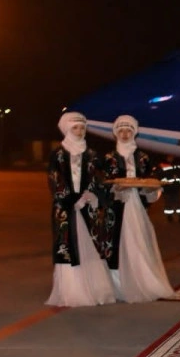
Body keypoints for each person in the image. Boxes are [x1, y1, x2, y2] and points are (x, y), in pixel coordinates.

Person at [99, 115, 174, 302]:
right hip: (116, 208)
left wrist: (148, 188)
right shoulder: (109, 157)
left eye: (128, 131)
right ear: (116, 133)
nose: (125, 134)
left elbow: (151, 179)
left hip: (137, 207)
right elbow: (103, 182)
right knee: (116, 243)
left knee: (138, 241)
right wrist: (115, 189)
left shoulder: (143, 157)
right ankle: (118, 287)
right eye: (121, 131)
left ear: (134, 133)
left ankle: (141, 282)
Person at [45, 111, 115, 307]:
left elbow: (99, 178)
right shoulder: (58, 154)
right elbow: (55, 179)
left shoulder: (91, 154)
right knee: (68, 247)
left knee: (92, 246)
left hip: (88, 206)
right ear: (67, 129)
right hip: (66, 208)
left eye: (82, 128)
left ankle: (95, 290)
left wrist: (92, 195)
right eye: (75, 128)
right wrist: (71, 200)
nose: (79, 131)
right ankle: (73, 291)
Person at [157, 155, 180, 222]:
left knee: (179, 203)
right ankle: (169, 217)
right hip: (167, 188)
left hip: (176, 187)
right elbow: (159, 176)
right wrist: (165, 183)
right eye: (169, 157)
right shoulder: (162, 165)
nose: (171, 158)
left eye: (172, 157)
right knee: (168, 203)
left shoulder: (176, 164)